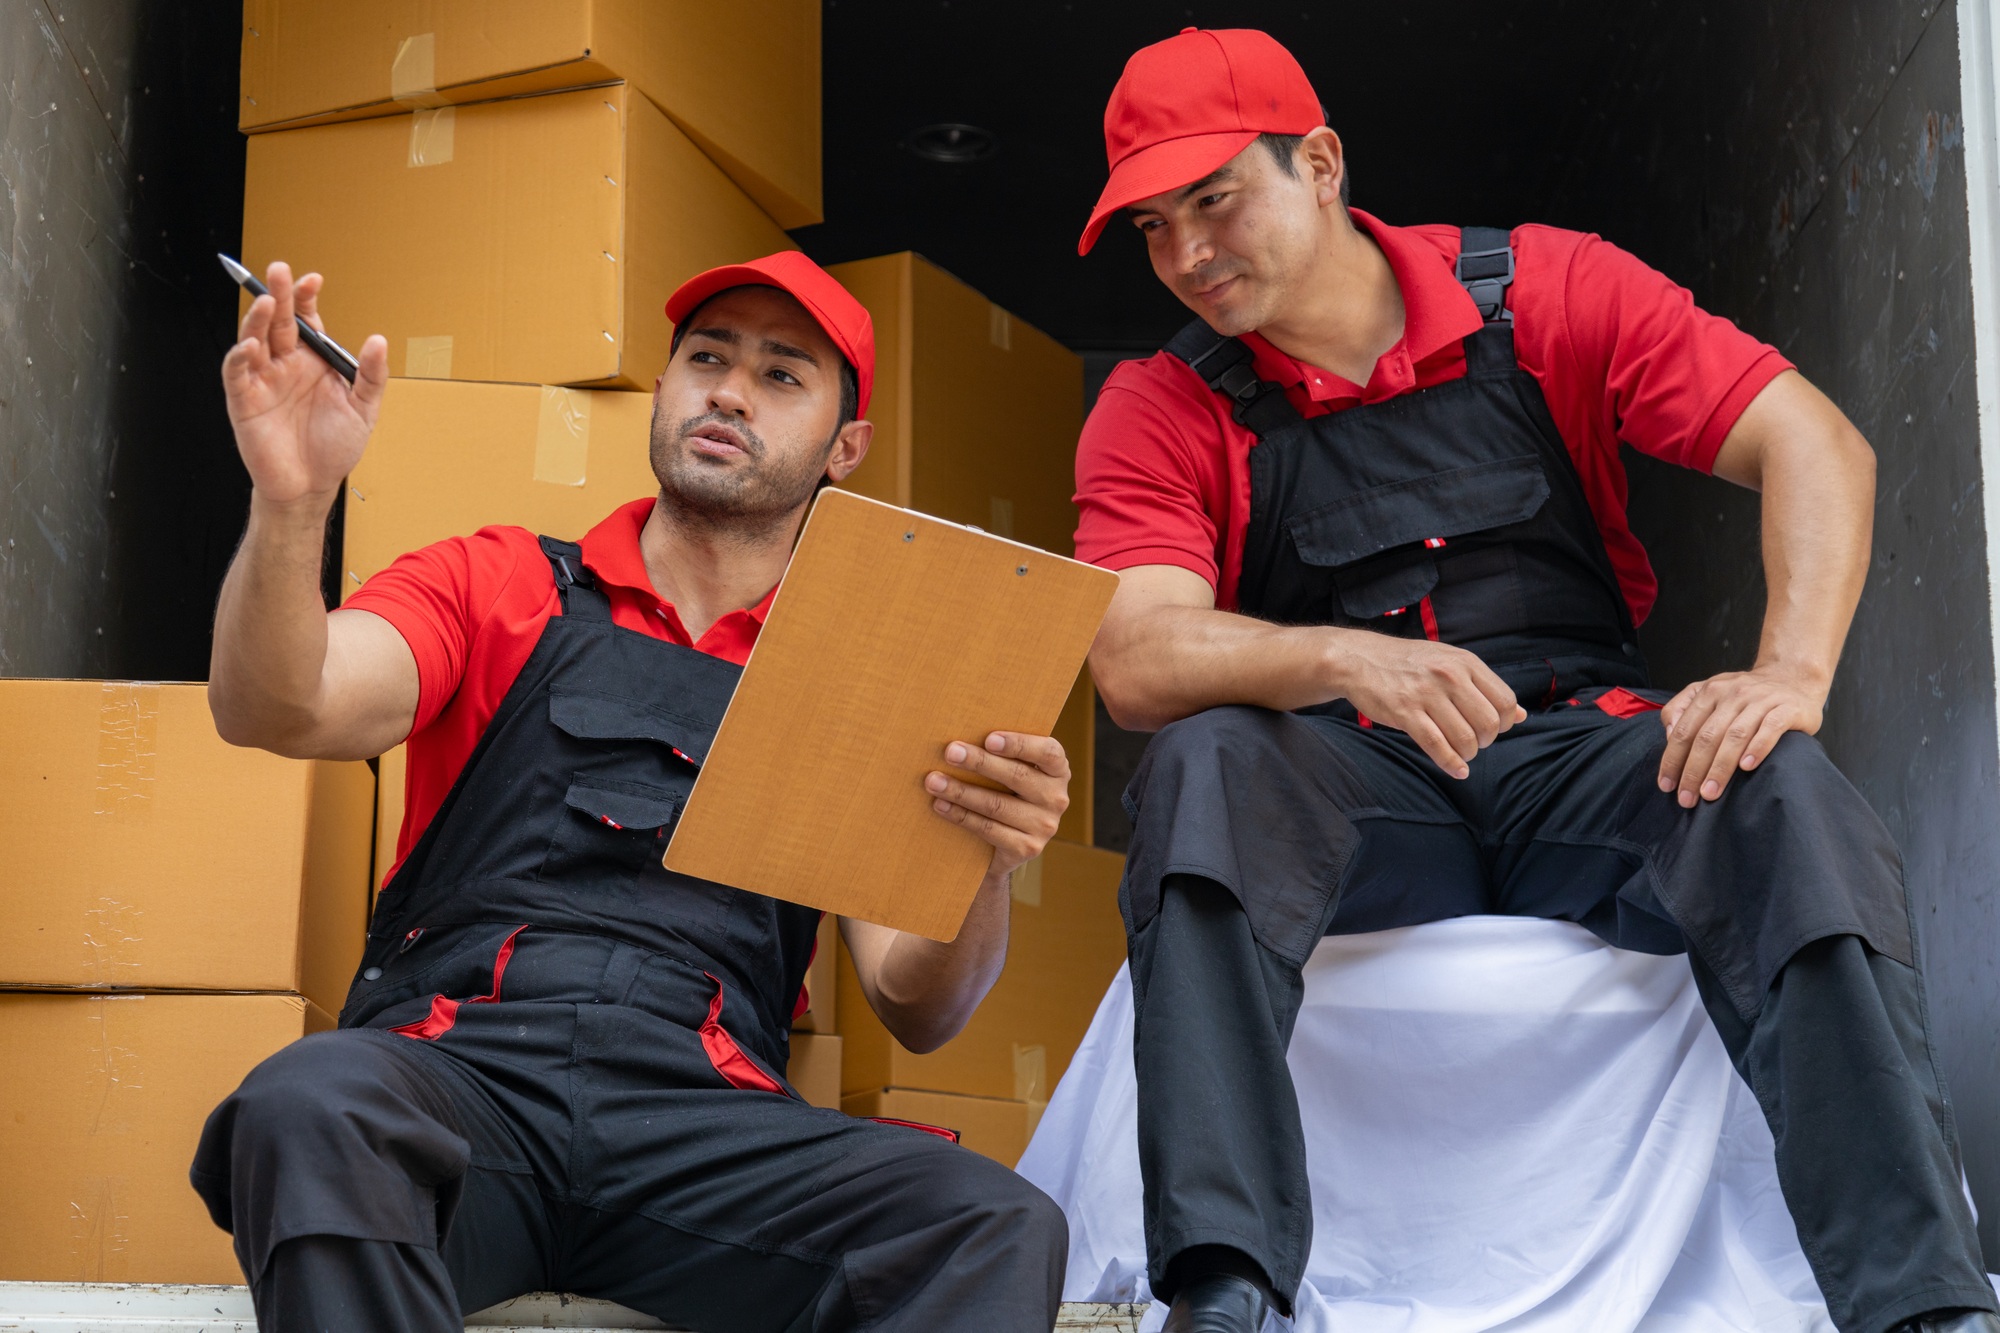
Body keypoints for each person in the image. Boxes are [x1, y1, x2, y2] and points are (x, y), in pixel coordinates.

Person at [1075, 27, 1997, 1333]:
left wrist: (1789, 672)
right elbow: (1134, 654)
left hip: (1581, 753)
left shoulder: (1541, 289)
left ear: (1321, 163)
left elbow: (1813, 439)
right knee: (1201, 764)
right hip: (1356, 781)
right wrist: (1344, 658)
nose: (1187, 255)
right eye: (1154, 229)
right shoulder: (1161, 404)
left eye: (1213, 200)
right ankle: (1223, 1290)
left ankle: (1922, 1303)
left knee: (1779, 785)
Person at [190, 251, 1071, 1332]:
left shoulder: (861, 676)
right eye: (706, 358)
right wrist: (292, 503)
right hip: (464, 1079)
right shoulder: (497, 579)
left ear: (847, 448)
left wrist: (984, 859)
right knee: (304, 1102)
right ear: (662, 390)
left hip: (705, 1127)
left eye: (782, 375)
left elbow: (918, 1002)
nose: (730, 392)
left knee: (990, 1222)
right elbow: (278, 706)